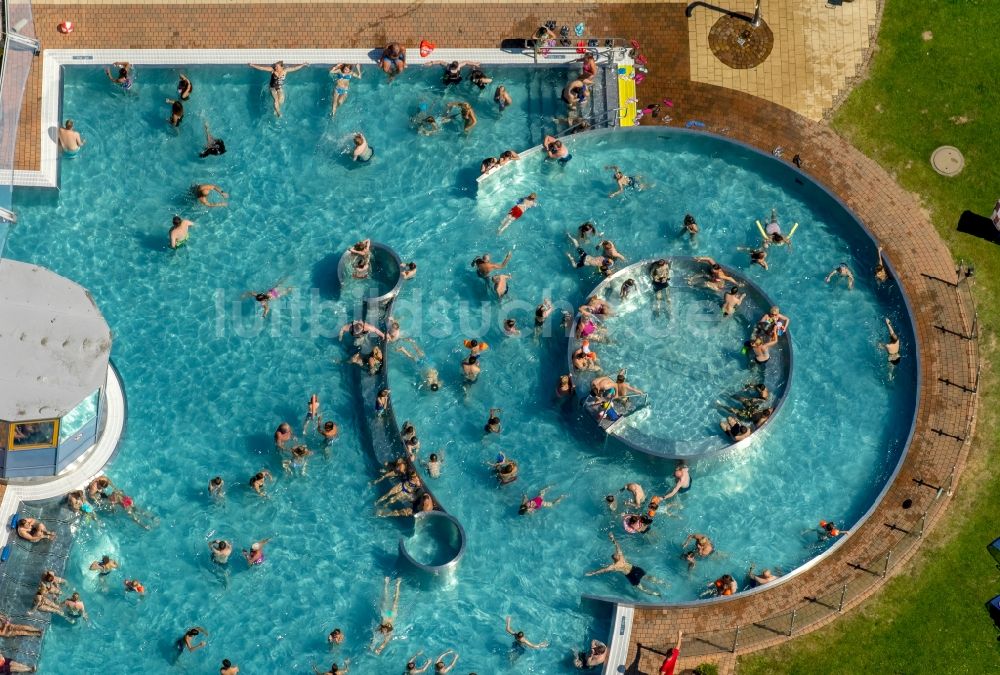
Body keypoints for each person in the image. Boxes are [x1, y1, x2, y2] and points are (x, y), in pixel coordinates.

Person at [585, 532, 664, 596]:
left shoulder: (614, 566)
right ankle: (661, 586)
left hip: (631, 574)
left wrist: (592, 573)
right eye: (616, 555)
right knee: (647, 579)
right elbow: (603, 569)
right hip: (634, 570)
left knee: (642, 587)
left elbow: (603, 570)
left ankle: (657, 592)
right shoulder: (619, 559)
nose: (617, 554)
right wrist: (612, 538)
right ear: (616, 558)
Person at [372, 577, 402, 654]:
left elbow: (375, 637)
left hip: (385, 613)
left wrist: (373, 645)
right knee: (395, 600)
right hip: (392, 614)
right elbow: (385, 643)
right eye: (384, 631)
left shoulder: (379, 628)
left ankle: (386, 583)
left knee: (385, 598)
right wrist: (379, 649)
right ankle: (398, 585)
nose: (384, 631)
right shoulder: (389, 633)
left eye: (383, 631)